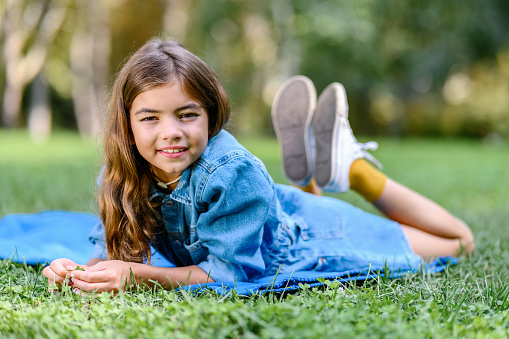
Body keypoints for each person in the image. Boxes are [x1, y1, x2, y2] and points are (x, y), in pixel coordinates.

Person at [42, 38, 474, 294]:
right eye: (150, 118)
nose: (170, 132)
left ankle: (355, 171)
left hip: (308, 240)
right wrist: (77, 270)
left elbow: (228, 275)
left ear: (210, 116)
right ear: (127, 127)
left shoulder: (231, 173)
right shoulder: (118, 175)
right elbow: (114, 253)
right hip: (273, 211)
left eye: (187, 115)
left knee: (459, 243)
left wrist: (138, 276)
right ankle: (308, 182)